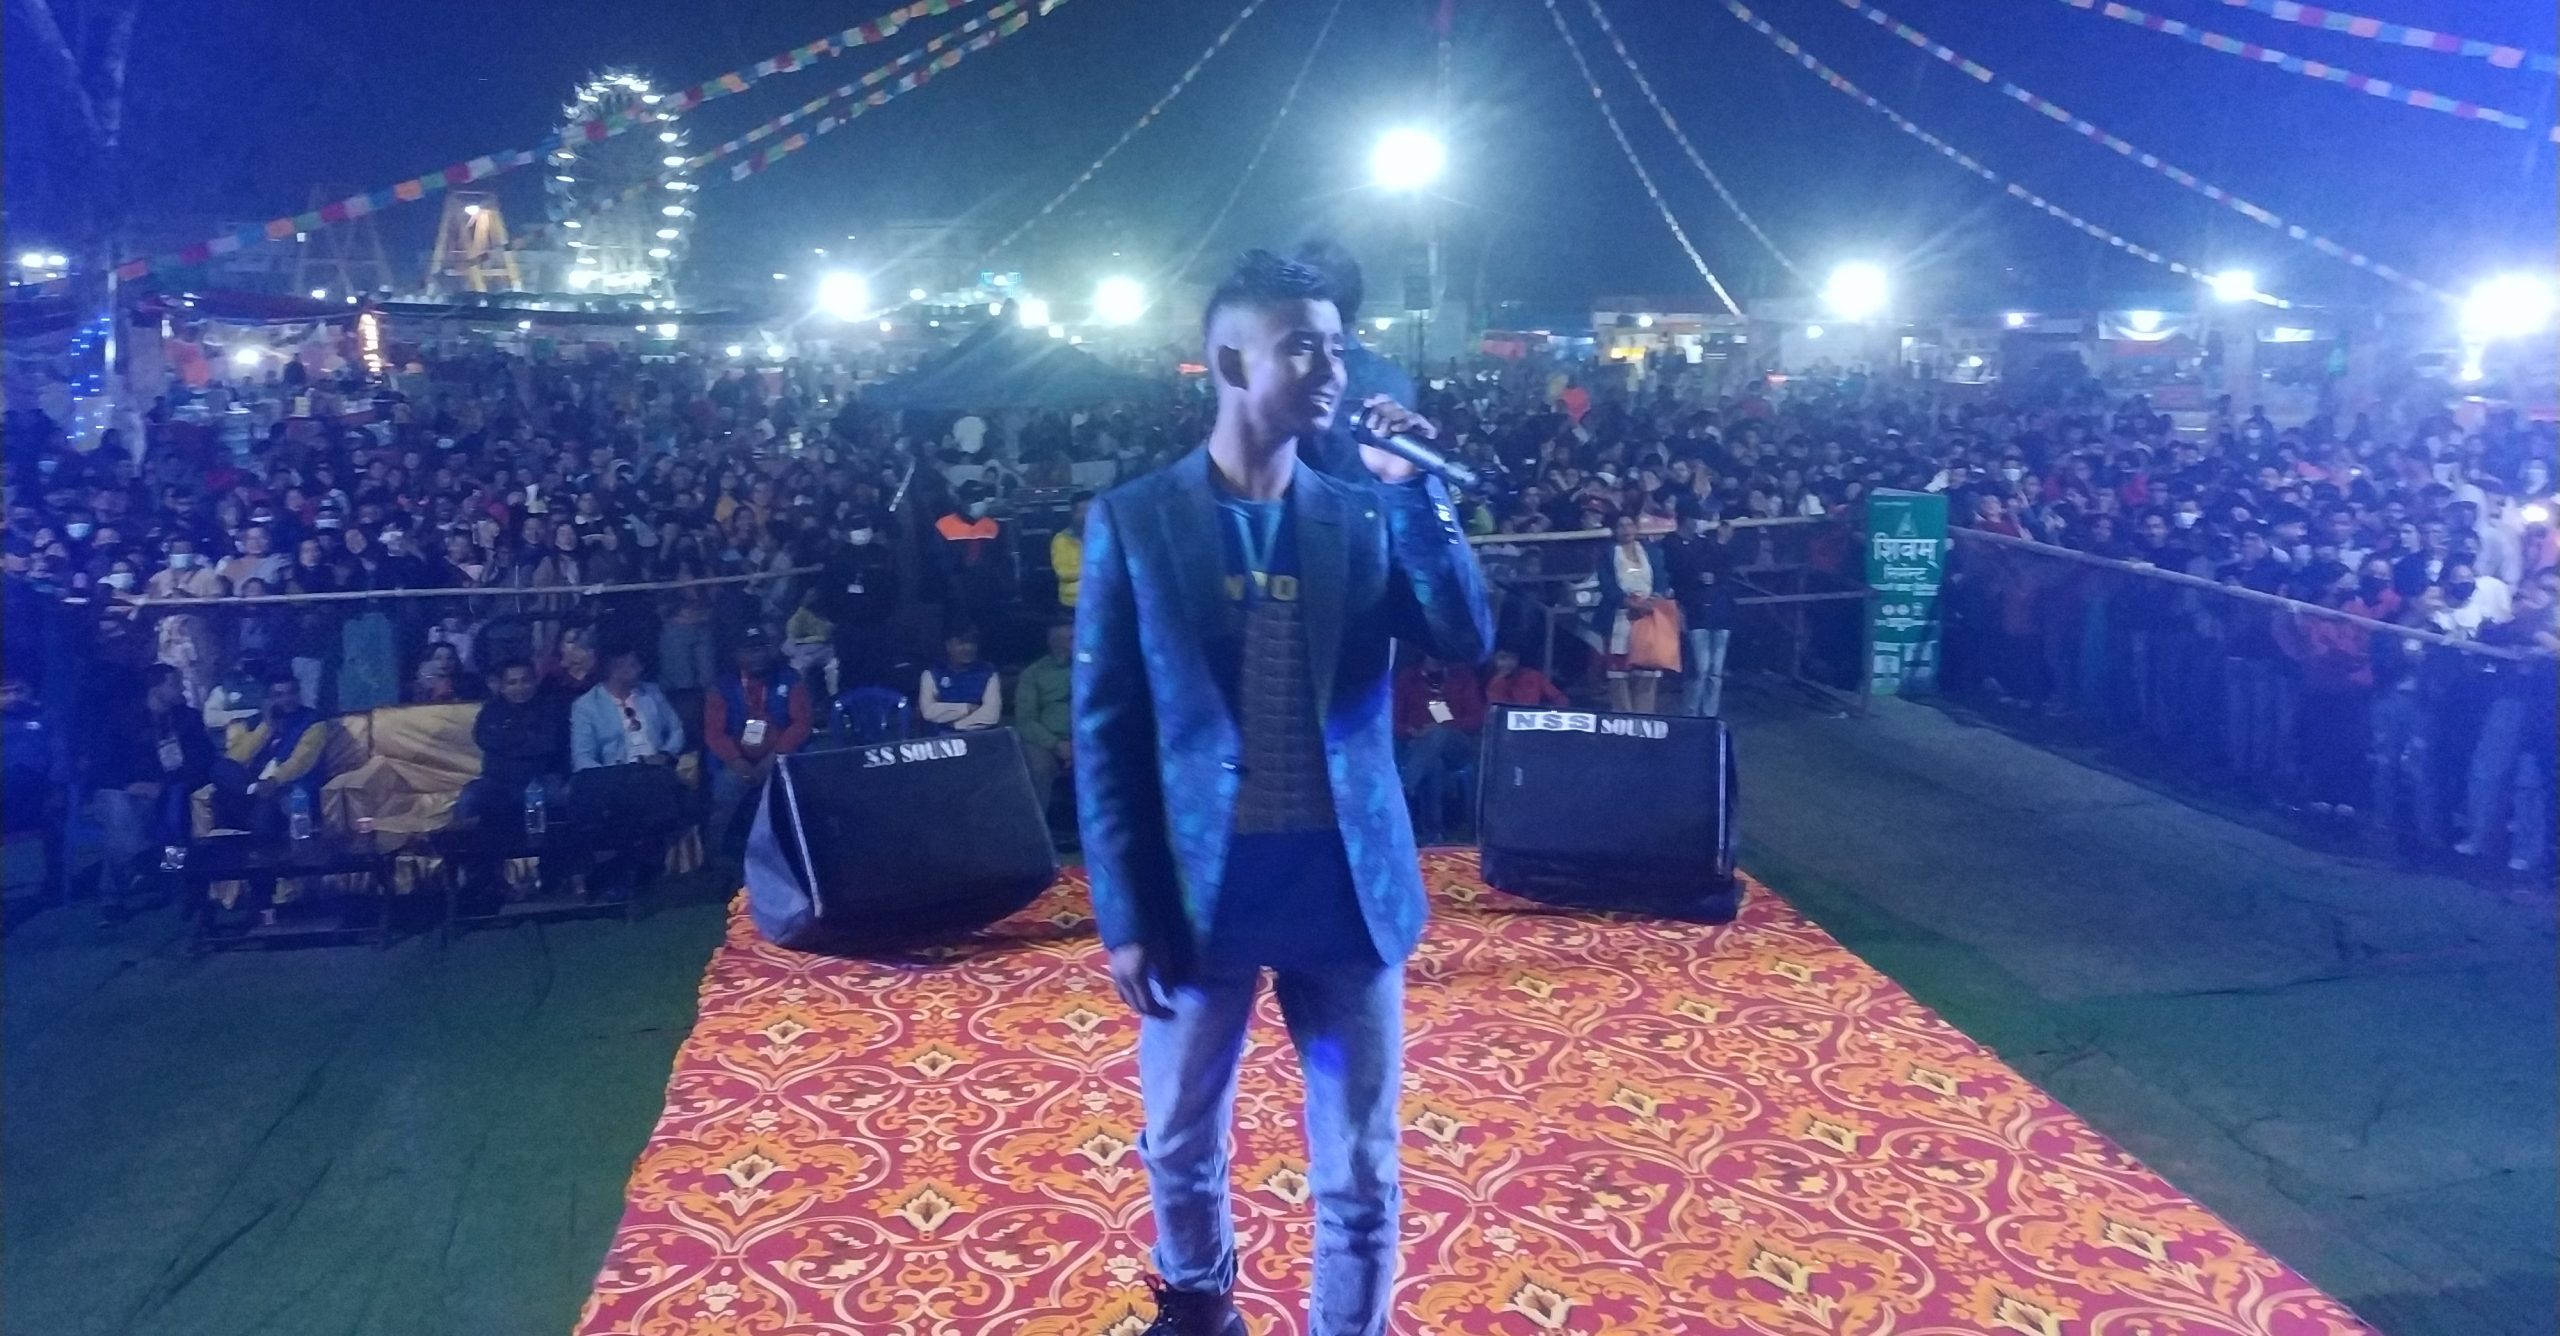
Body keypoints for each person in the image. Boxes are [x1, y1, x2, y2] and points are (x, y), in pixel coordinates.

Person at [1075, 250, 1489, 1336]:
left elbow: (1463, 635)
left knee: (1359, 1162)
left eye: (1337, 347)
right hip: (1198, 893)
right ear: (1228, 361)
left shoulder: (1362, 513)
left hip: (1346, 892)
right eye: (1301, 345)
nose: (1331, 368)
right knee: (1178, 1138)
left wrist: (1415, 493)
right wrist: (1123, 913)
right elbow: (1107, 729)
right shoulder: (1134, 519)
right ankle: (1198, 1302)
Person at [89, 663, 215, 916]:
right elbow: (102, 762)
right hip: (121, 788)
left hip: (170, 787)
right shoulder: (123, 719)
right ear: (156, 688)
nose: (182, 690)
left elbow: (202, 759)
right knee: (123, 822)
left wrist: (163, 786)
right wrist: (130, 785)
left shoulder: (188, 719)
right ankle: (127, 881)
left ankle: (165, 876)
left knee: (175, 819)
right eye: (175, 684)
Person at [569, 647, 690, 897]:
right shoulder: (586, 705)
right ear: (614, 669)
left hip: (655, 769)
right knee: (623, 797)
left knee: (656, 788)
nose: (638, 670)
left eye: (637, 664)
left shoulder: (652, 693)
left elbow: (676, 729)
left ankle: (634, 872)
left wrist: (666, 754)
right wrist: (611, 777)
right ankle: (625, 872)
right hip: (614, 776)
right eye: (631, 665)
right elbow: (582, 756)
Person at [703, 627, 813, 852]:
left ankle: (800, 848)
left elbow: (801, 724)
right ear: (736, 654)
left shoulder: (790, 680)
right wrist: (737, 761)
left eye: (762, 648)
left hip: (782, 758)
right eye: (750, 650)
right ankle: (717, 855)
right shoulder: (722, 687)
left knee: (802, 786)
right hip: (737, 762)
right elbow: (714, 732)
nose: (757, 656)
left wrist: (774, 757)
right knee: (726, 788)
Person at [210, 671, 329, 838]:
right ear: (269, 699)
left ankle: (265, 849)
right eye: (279, 695)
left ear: (299, 694)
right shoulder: (259, 721)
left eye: (291, 693)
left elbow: (300, 761)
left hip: (291, 785)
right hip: (256, 784)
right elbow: (236, 758)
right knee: (221, 771)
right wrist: (267, 726)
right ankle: (250, 791)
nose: (287, 699)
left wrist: (274, 781)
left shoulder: (314, 721)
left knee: (264, 807)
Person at [460, 659, 571, 830]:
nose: (519, 687)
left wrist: (509, 739)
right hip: (498, 782)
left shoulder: (552, 708)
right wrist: (526, 737)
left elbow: (547, 744)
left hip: (542, 779)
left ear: (535, 681)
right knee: (469, 798)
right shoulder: (491, 710)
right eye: (512, 683)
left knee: (564, 798)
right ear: (502, 687)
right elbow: (484, 739)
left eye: (525, 681)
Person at [1391, 653, 1487, 845]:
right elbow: (1393, 720)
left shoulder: (1462, 676)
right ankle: (1434, 834)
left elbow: (1477, 718)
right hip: (1418, 743)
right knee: (1433, 764)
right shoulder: (1408, 678)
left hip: (1456, 744)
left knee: (1438, 733)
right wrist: (1410, 730)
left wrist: (1445, 725)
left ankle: (1402, 790)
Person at [1663, 504, 1740, 717]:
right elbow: (1683, 570)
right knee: (1700, 667)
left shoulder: (1705, 543)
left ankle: (1709, 715)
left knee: (1715, 670)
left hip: (1719, 609)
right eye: (1697, 518)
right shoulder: (1673, 544)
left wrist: (1722, 544)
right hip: (1696, 611)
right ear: (1687, 518)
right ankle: (1690, 714)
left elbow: (1725, 567)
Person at [1013, 618, 1075, 820]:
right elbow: (1026, 721)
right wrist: (1057, 745)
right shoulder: (1033, 674)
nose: (1079, 641)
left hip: (1088, 741)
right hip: (1048, 743)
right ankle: (1033, 827)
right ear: (1055, 643)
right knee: (1036, 766)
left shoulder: (1093, 668)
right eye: (1071, 639)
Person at [918, 626, 1002, 733]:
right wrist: (967, 708)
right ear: (948, 646)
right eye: (961, 643)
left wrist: (956, 725)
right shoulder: (932, 673)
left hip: (979, 736)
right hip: (941, 737)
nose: (968, 648)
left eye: (972, 643)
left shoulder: (989, 672)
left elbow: (991, 714)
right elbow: (928, 712)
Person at [1482, 646, 1568, 709]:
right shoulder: (1491, 683)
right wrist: (1499, 681)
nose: (1508, 663)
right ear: (1493, 659)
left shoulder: (1533, 676)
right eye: (1502, 658)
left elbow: (1558, 697)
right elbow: (1498, 710)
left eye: (1513, 658)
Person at [1052, 493, 1092, 610]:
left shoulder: (1102, 538)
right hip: (1073, 602)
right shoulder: (1062, 539)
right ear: (1073, 514)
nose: (1087, 516)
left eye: (1091, 512)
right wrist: (1096, 570)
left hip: (1101, 599)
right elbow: (1064, 573)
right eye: (1083, 511)